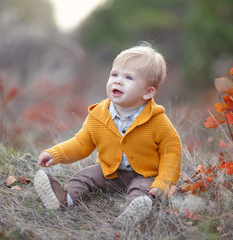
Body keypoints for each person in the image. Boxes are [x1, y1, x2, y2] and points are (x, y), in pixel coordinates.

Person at [34, 41, 182, 227]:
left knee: (142, 190)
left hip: (146, 174)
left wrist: (165, 181)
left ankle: (132, 212)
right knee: (84, 177)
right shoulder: (98, 115)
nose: (118, 80)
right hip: (110, 171)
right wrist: (55, 153)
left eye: (128, 78)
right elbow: (81, 144)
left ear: (148, 92)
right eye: (115, 74)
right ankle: (63, 197)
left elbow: (172, 149)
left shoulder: (157, 120)